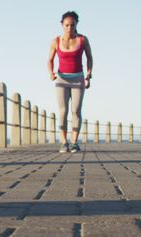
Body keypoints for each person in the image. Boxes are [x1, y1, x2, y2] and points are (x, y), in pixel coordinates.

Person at [48, 11, 93, 153]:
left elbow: (90, 58)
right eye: (67, 25)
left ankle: (74, 142)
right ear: (62, 24)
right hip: (61, 79)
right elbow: (49, 60)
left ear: (76, 25)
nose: (69, 28)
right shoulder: (55, 41)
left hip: (78, 78)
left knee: (76, 111)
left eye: (72, 25)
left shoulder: (83, 40)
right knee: (63, 111)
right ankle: (63, 142)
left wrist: (89, 74)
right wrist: (51, 73)